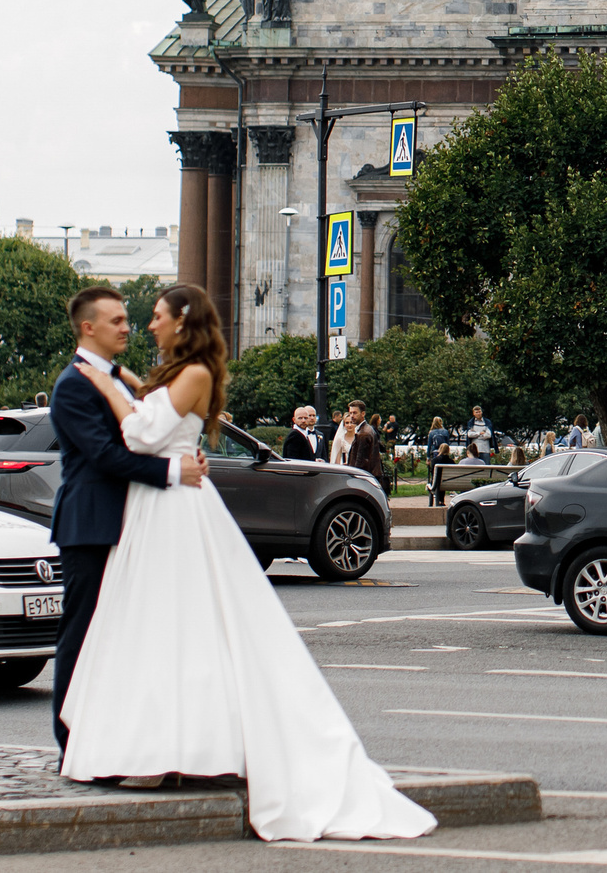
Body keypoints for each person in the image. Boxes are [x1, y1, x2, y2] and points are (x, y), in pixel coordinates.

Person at [57, 283, 432, 841]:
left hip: (174, 508)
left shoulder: (192, 374)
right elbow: (145, 425)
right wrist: (122, 386)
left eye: (156, 316)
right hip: (157, 506)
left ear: (182, 322)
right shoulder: (165, 374)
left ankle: (179, 745)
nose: (145, 324)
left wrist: (109, 387)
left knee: (178, 623)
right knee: (150, 627)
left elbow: (138, 431)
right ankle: (159, 743)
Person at [47, 286, 209, 760]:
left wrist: (180, 453)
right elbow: (103, 455)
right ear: (88, 327)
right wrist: (174, 470)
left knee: (124, 635)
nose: (127, 327)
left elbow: (149, 432)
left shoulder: (119, 377)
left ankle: (114, 736)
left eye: (127, 319)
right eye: (116, 320)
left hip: (137, 520)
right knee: (83, 634)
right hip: (92, 524)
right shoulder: (74, 384)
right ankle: (70, 741)